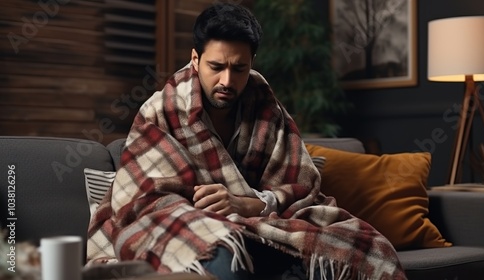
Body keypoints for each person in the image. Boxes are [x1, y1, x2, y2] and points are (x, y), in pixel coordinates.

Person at [87, 3, 407, 280]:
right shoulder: (160, 110)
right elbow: (146, 200)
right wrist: (216, 213)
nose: (227, 80)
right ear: (196, 59)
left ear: (251, 62)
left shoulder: (266, 107)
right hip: (185, 218)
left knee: (364, 240)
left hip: (260, 223)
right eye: (216, 67)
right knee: (221, 247)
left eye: (239, 68)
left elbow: (301, 186)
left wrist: (245, 203)